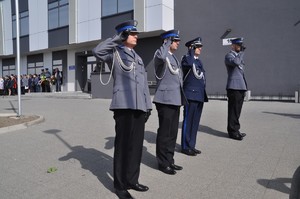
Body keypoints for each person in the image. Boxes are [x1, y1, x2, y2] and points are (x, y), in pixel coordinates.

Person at [92, 20, 152, 199]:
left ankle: (132, 180)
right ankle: (119, 185)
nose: (136, 37)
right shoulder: (114, 53)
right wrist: (117, 38)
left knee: (136, 147)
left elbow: (143, 85)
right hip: (123, 106)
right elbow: (97, 51)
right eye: (132, 34)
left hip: (139, 107)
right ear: (125, 35)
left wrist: (148, 106)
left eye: (136, 34)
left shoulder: (138, 57)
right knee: (123, 146)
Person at [153, 30, 187, 175]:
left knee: (172, 133)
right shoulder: (161, 54)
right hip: (165, 100)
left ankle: (169, 160)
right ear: (168, 41)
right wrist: (166, 42)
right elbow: (160, 56)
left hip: (175, 99)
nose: (178, 43)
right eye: (175, 40)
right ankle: (162, 163)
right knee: (164, 133)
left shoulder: (173, 57)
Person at [181, 37, 208, 156]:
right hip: (190, 95)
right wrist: (191, 51)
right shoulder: (187, 58)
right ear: (191, 47)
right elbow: (189, 64)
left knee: (195, 122)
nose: (200, 49)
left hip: (199, 95)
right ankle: (185, 146)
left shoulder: (199, 61)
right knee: (188, 120)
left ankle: (192, 144)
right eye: (197, 47)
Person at [225, 37, 247, 141]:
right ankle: (232, 132)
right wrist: (241, 53)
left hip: (240, 87)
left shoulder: (238, 56)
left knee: (237, 111)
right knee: (233, 110)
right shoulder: (229, 55)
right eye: (238, 45)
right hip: (233, 87)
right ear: (232, 45)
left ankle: (236, 129)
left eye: (240, 45)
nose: (239, 47)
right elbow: (236, 63)